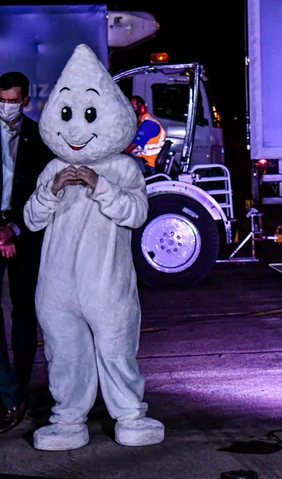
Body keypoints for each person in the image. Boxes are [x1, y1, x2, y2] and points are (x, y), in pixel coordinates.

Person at [23, 44, 164, 450]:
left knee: (116, 348)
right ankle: (68, 418)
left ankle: (130, 414)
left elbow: (136, 214)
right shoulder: (53, 168)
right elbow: (32, 219)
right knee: (65, 355)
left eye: (88, 115)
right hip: (57, 284)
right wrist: (52, 189)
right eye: (66, 115)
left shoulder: (123, 167)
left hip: (107, 284)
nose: (76, 129)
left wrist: (99, 185)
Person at [0, 71, 56, 433]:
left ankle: (18, 388)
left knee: (24, 311)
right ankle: (9, 389)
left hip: (23, 231)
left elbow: (43, 191)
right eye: (0, 100)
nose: (5, 107)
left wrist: (13, 229)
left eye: (11, 101)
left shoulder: (39, 138)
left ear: (25, 102)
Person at [123, 95, 166, 174]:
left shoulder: (148, 125)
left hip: (146, 164)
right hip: (141, 160)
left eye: (133, 107)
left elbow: (130, 148)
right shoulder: (143, 122)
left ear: (142, 109)